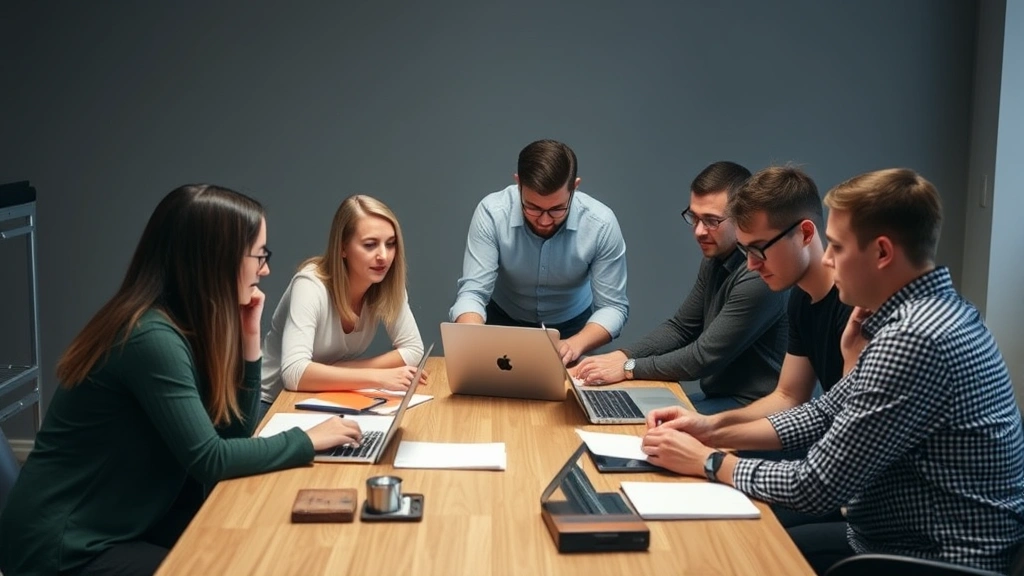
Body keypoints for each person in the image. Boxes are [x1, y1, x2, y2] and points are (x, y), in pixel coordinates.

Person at [641, 169, 1024, 574]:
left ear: (881, 252)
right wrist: (709, 430)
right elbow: (823, 412)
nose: (825, 258)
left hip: (935, 559)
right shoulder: (921, 316)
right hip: (890, 537)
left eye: (837, 247)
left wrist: (709, 461)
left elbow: (815, 485)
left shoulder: (914, 338)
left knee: (737, 558)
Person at [0, 185, 362, 576]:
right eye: (259, 256)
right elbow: (210, 460)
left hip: (121, 526)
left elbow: (232, 438)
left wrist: (250, 342)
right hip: (63, 548)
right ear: (216, 260)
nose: (266, 269)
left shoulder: (183, 326)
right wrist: (307, 440)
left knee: (260, 547)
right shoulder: (149, 338)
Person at [573, 161, 788, 414]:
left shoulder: (758, 275)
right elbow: (681, 328)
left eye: (711, 221)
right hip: (723, 399)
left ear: (743, 217)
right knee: (619, 410)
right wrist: (622, 355)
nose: (699, 231)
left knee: (642, 428)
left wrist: (627, 367)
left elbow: (702, 357)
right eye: (694, 217)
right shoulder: (716, 258)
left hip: (758, 411)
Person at [449, 139, 629, 365]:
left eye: (557, 209)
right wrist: (474, 337)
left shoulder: (601, 224)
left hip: (575, 329)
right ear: (518, 183)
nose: (544, 220)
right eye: (532, 207)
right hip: (502, 321)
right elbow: (473, 293)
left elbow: (613, 307)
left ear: (575, 186)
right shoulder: (492, 213)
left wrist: (574, 345)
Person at [259, 195, 425, 419]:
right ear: (342, 248)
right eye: (370, 245)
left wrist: (347, 369)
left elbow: (413, 350)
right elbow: (294, 374)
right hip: (270, 404)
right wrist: (378, 377)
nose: (383, 256)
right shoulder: (310, 284)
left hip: (322, 399)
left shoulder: (385, 285)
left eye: (391, 243)